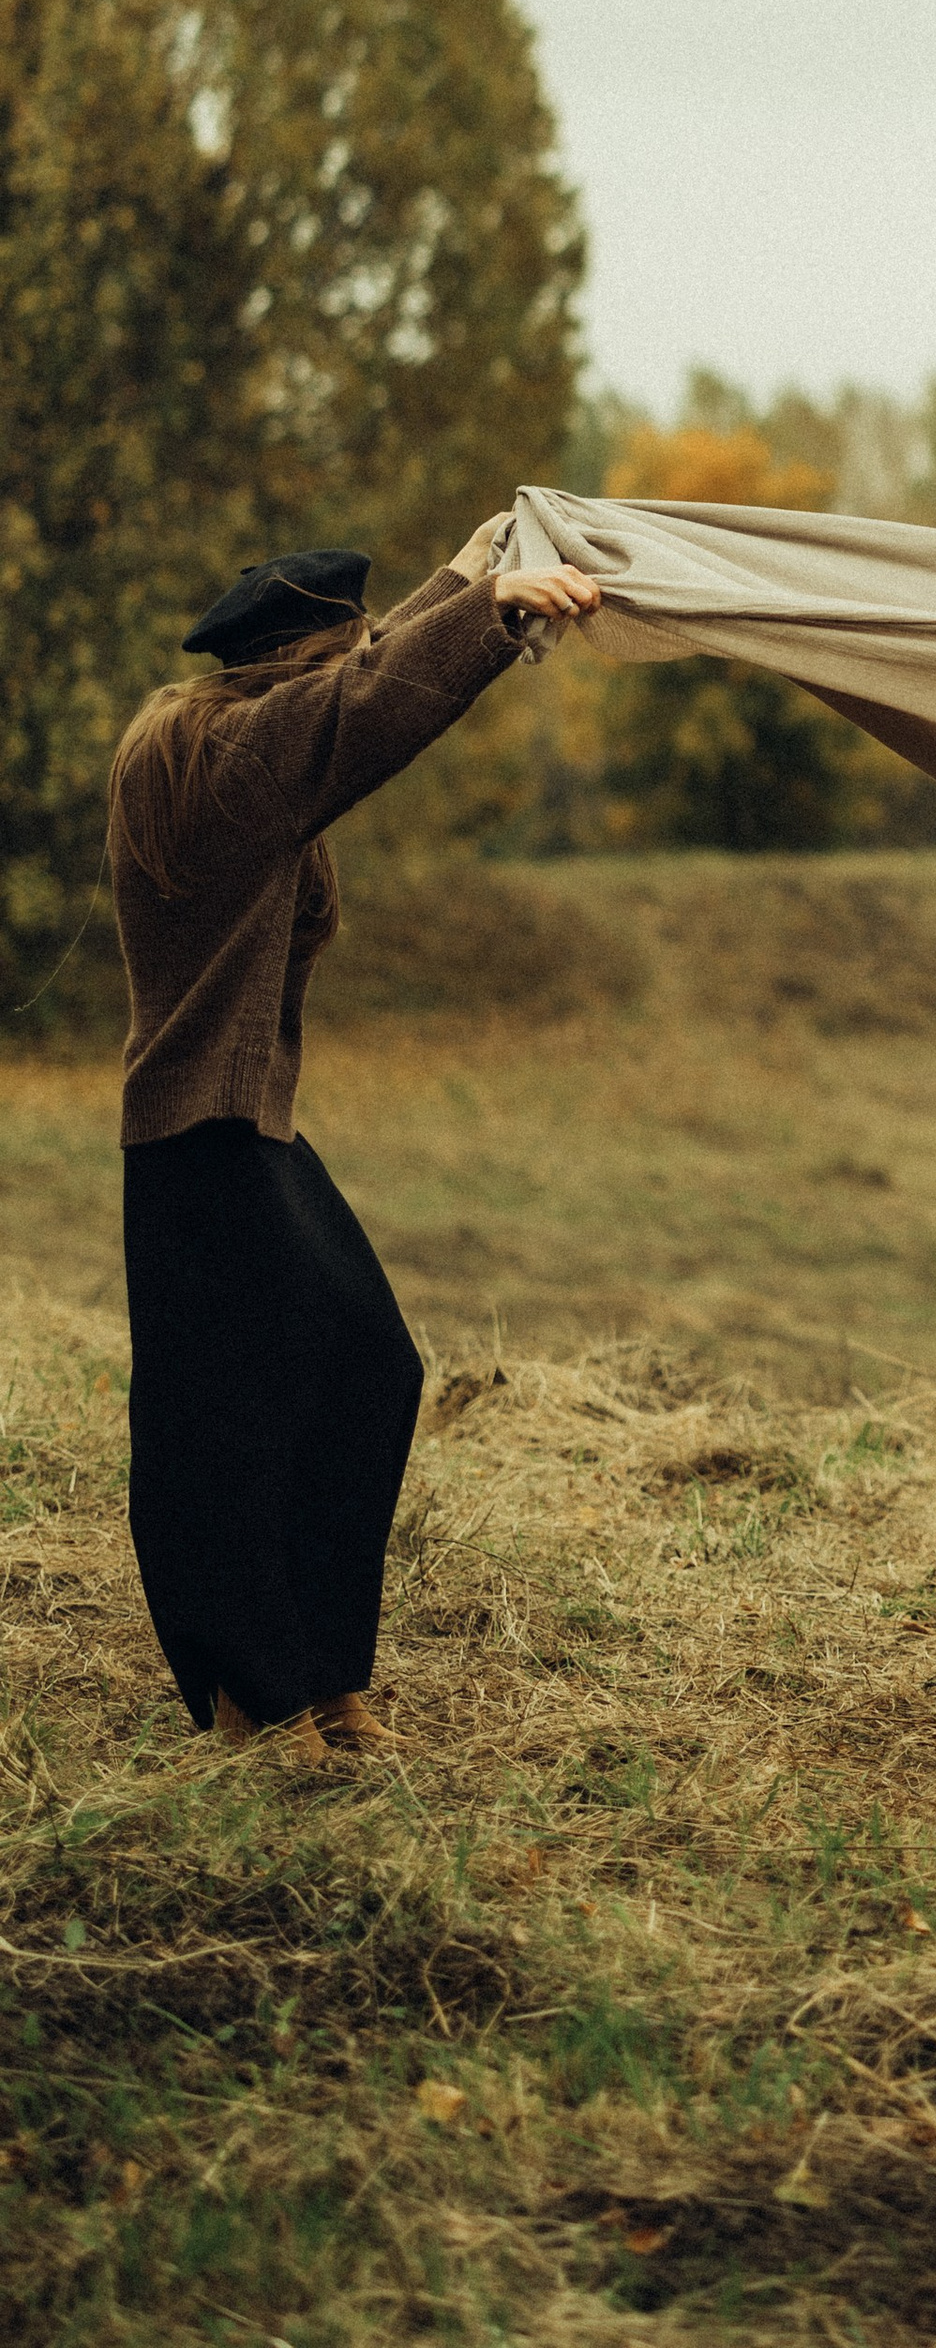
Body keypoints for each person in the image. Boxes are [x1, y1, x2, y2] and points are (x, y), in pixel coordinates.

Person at [107, 517, 600, 1765]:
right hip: (198, 1133)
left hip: (241, 1126)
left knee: (347, 1377)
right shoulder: (234, 757)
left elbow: (359, 677)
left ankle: (319, 1679)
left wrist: (466, 569)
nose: (369, 655)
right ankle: (254, 1697)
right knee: (237, 1416)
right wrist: (488, 609)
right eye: (349, 644)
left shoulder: (236, 735)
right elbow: (366, 707)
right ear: (295, 669)